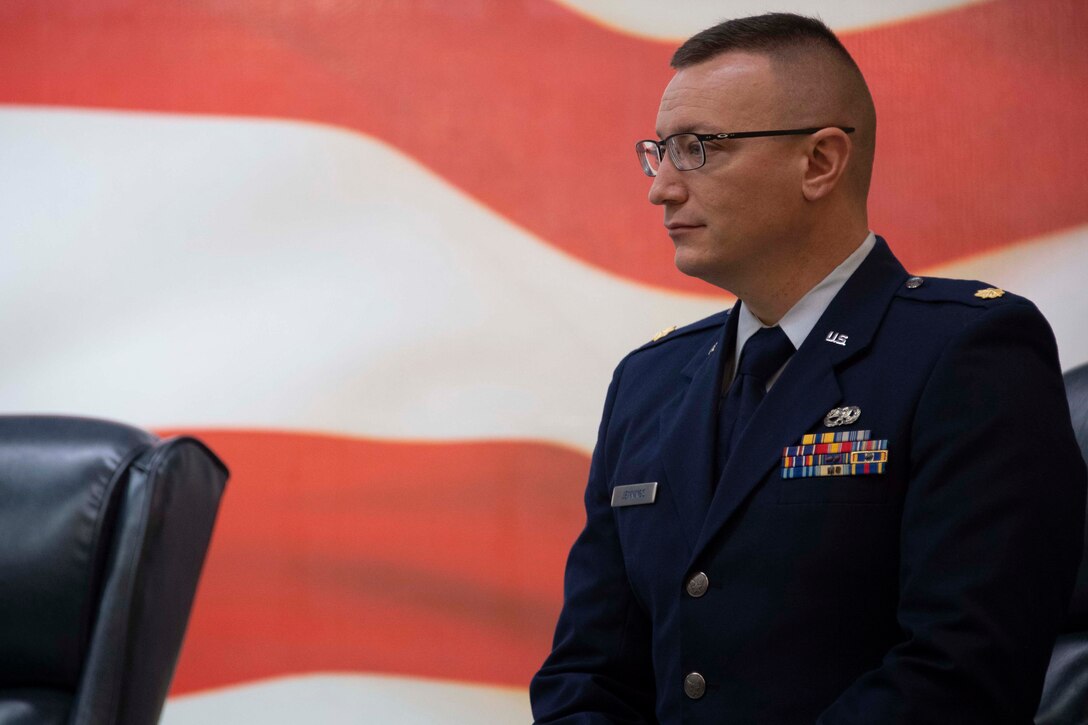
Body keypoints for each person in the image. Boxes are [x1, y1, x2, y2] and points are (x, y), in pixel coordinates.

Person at [530, 12, 1086, 724]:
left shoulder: (966, 353)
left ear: (820, 162)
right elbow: (589, 672)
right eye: (658, 151)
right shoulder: (648, 382)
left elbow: (959, 671)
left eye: (697, 149)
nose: (660, 188)